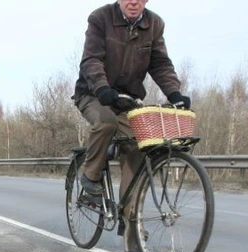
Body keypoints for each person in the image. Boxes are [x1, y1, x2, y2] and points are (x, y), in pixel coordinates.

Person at [73, 0, 190, 212]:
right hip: (93, 94)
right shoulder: (100, 18)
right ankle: (90, 178)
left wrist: (174, 93)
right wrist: (101, 87)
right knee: (106, 122)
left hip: (127, 100)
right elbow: (91, 60)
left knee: (139, 146)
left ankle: (131, 222)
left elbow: (160, 64)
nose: (133, 2)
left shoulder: (154, 24)